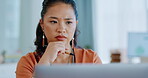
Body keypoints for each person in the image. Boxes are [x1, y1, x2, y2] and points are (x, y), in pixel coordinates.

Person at [16, 0, 102, 78]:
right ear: (42, 24)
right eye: (53, 21)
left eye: (68, 22)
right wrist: (46, 60)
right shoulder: (28, 62)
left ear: (75, 25)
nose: (61, 29)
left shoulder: (91, 59)